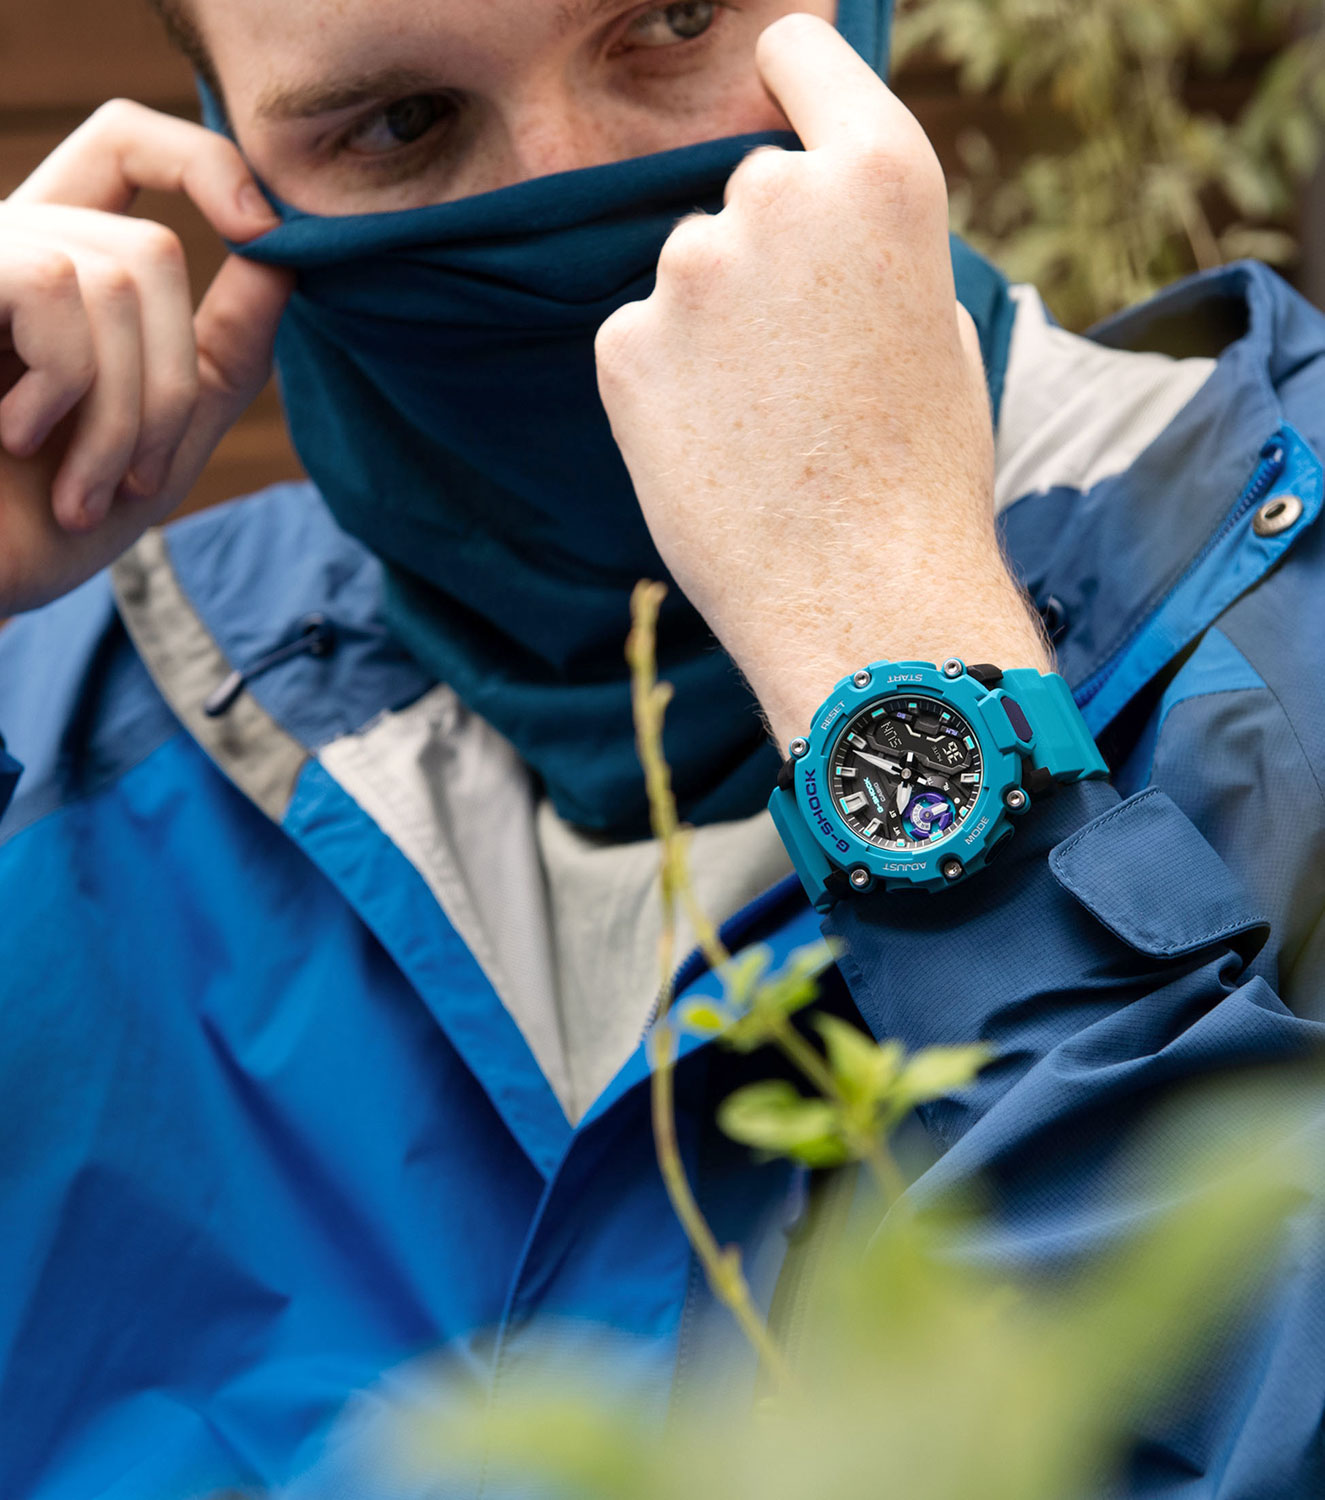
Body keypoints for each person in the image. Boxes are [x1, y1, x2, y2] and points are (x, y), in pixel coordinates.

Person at [0, 0, 1322, 1493]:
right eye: (400, 124)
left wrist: (891, 653)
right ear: (233, 157)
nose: (569, 176)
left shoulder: (1293, 605)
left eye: (672, 22)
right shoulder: (54, 730)